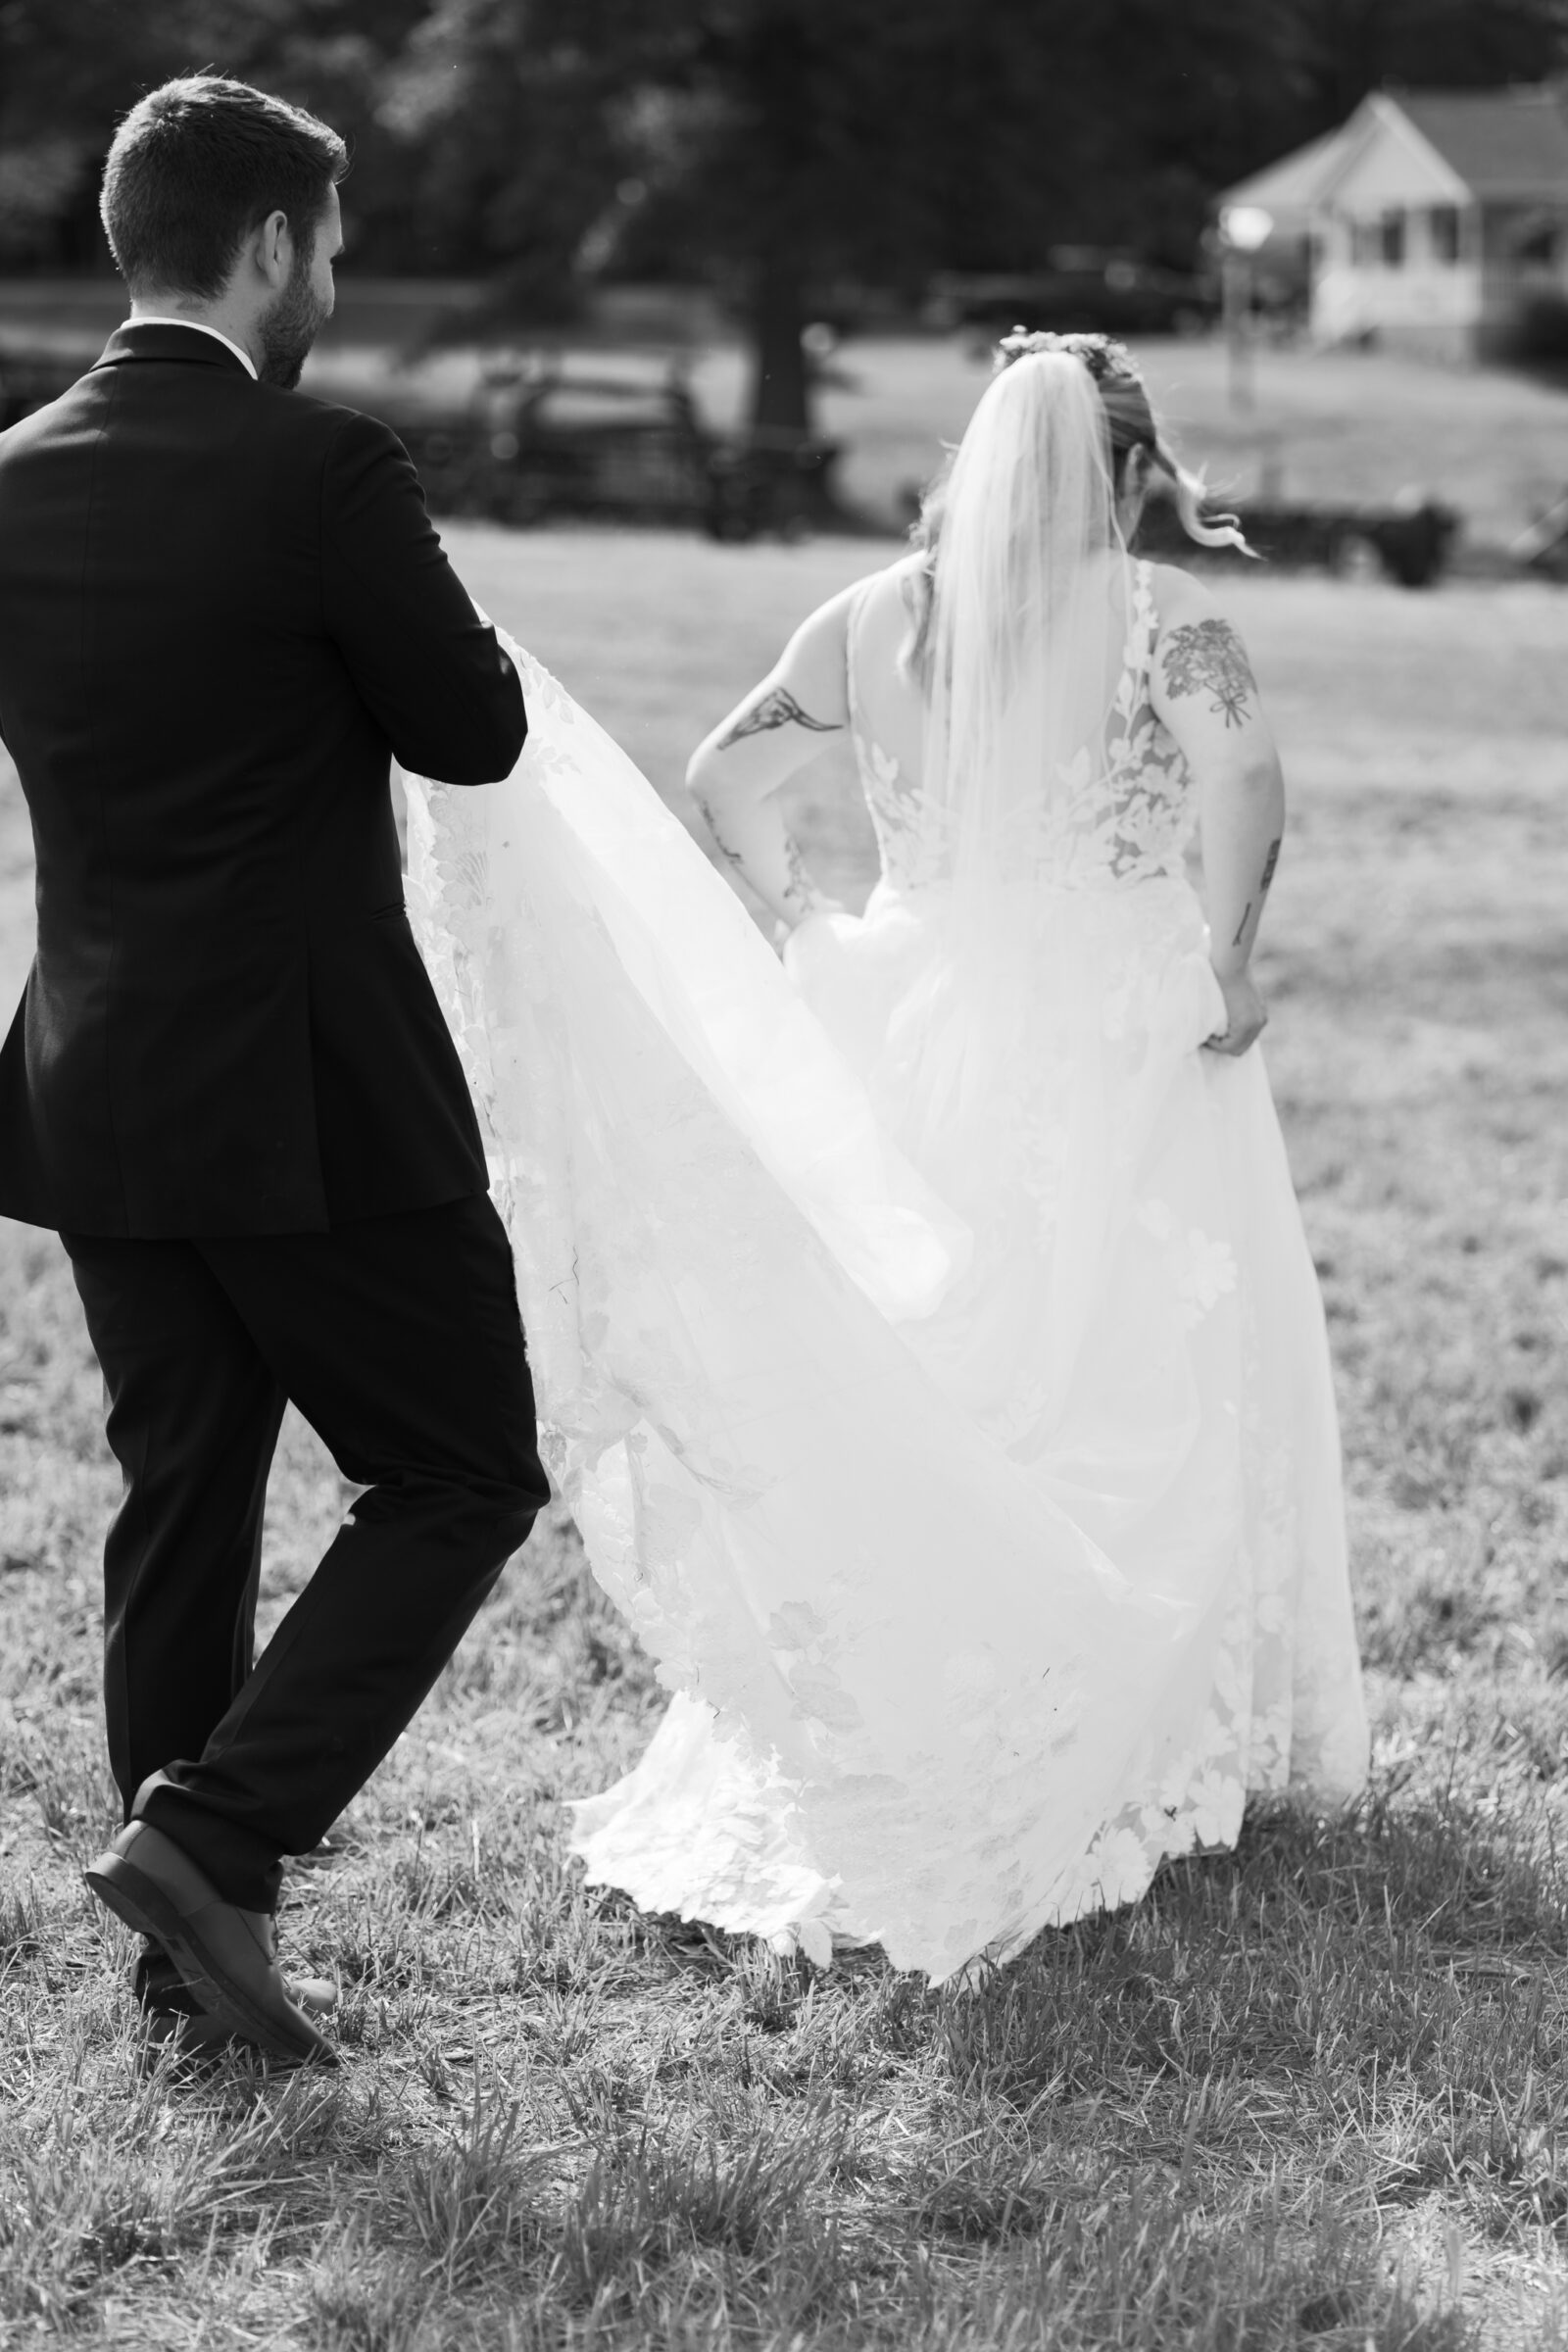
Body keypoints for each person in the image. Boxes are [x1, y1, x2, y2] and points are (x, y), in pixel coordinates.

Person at [405, 333, 1367, 1982]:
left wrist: (806, 914)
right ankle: (1122, 1713)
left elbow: (726, 772)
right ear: (1131, 471)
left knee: (936, 1357)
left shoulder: (872, 618)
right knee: (1139, 1349)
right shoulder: (1164, 617)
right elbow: (1246, 773)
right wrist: (1228, 954)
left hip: (917, 1007)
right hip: (1114, 1015)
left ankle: (932, 1682)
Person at [0, 75, 549, 2065]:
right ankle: (210, 1839)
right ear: (267, 245)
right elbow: (471, 729)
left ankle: (189, 1965)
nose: (335, 272)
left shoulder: (9, 474)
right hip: (312, 1089)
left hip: (96, 1074)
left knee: (183, 1494)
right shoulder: (323, 464)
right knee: (462, 1467)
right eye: (331, 240)